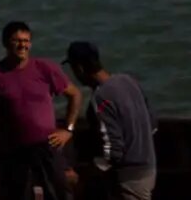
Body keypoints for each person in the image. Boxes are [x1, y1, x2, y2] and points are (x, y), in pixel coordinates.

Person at [0, 20, 82, 200]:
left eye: (26, 41)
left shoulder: (45, 68)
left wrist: (68, 129)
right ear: (5, 43)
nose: (22, 45)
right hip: (13, 150)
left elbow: (75, 95)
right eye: (16, 40)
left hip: (48, 146)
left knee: (61, 193)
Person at [63, 41, 157, 200]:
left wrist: (84, 176)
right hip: (148, 169)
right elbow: (152, 125)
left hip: (128, 177)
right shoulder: (129, 81)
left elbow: (112, 151)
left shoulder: (101, 98)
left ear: (79, 68)